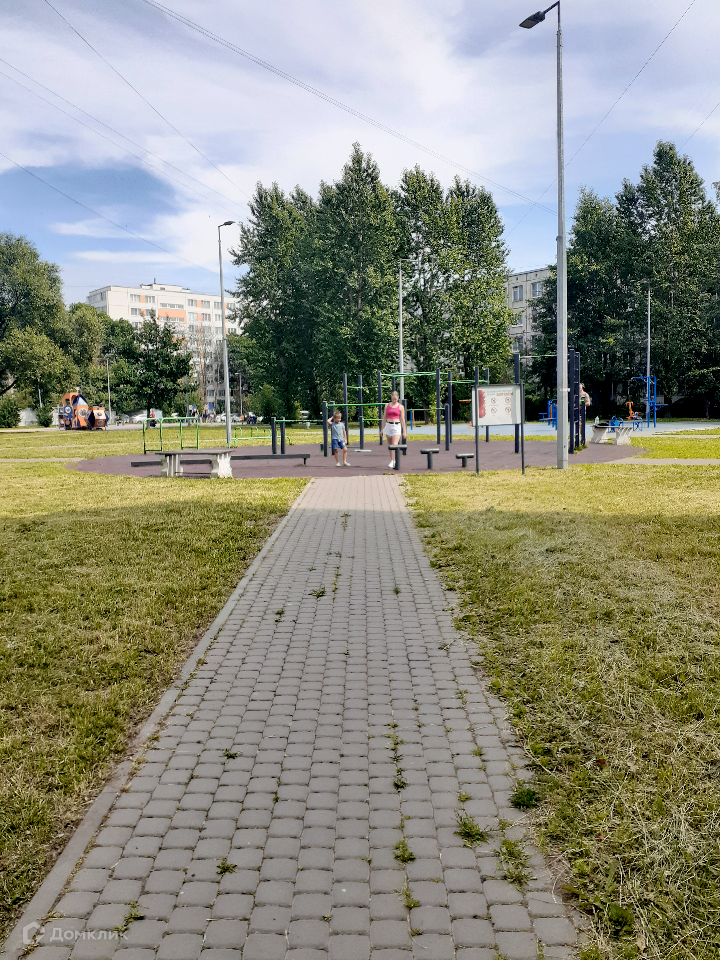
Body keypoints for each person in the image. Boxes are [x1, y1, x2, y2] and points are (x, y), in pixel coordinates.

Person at [381, 391, 407, 468]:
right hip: (388, 425)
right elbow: (384, 417)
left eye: (396, 399)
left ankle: (395, 460)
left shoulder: (401, 407)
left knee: (394, 444)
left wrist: (404, 431)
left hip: (396, 425)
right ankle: (392, 460)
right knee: (390, 445)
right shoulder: (387, 406)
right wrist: (382, 429)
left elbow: (402, 419)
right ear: (391, 398)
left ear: (398, 398)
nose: (394, 400)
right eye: (393, 399)